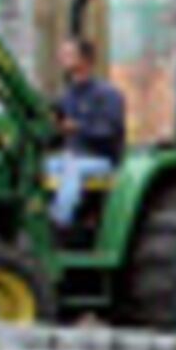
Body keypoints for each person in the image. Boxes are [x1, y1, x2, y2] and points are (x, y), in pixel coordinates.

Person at [47, 34, 126, 231]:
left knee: (72, 169)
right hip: (70, 156)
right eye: (62, 53)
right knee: (37, 168)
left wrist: (77, 127)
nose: (62, 57)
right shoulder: (67, 95)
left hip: (101, 159)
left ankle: (59, 221)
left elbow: (109, 129)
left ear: (85, 60)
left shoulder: (108, 94)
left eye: (68, 54)